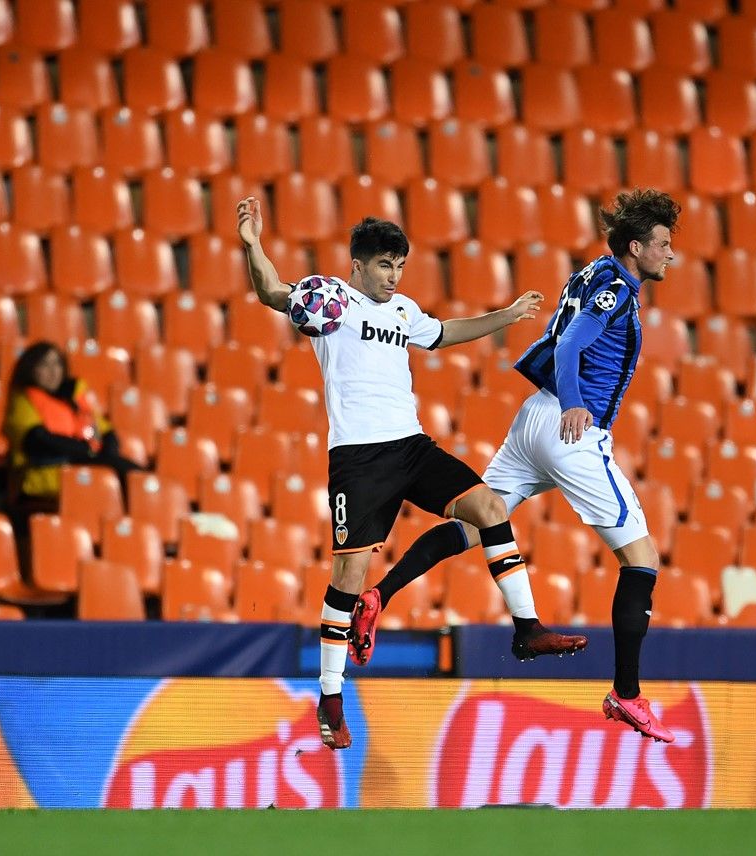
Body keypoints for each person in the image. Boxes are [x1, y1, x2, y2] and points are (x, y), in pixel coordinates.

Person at [236, 198, 588, 752]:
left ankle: (527, 629)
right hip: (359, 457)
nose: (393, 275)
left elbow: (446, 332)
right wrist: (254, 246)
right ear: (357, 265)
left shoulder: (403, 312)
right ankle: (330, 695)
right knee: (349, 576)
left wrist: (509, 314)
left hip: (411, 446)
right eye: (384, 265)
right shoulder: (331, 304)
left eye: (399, 265)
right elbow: (271, 293)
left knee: (491, 509)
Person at [351, 189, 682, 743]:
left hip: (534, 419)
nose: (670, 255)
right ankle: (626, 694)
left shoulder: (592, 272)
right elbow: (574, 343)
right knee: (642, 560)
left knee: (479, 519)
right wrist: (576, 400)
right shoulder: (617, 292)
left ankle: (378, 594)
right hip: (571, 428)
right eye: (664, 244)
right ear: (635, 247)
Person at [3, 341, 140, 532]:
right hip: (45, 476)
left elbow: (106, 431)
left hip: (86, 468)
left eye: (57, 364)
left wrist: (103, 452)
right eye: (44, 365)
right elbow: (35, 440)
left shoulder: (74, 396)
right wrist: (87, 452)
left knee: (132, 475)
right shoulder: (23, 400)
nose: (53, 371)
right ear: (30, 370)